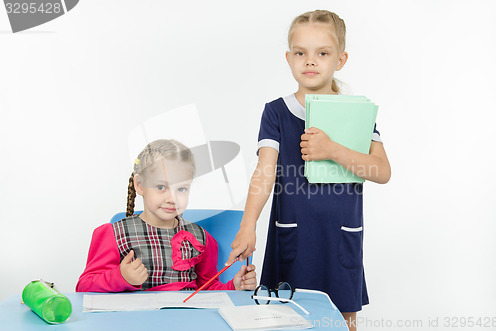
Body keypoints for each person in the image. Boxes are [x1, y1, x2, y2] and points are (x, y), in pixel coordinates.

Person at [226, 10, 391, 331]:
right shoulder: (276, 112)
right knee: (285, 320)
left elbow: (381, 170)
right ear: (289, 58)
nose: (310, 61)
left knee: (342, 322)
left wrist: (333, 150)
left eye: (322, 53)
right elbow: (264, 171)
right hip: (293, 239)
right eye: (301, 53)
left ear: (340, 59)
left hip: (341, 239)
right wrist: (248, 226)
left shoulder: (356, 113)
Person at [76, 139, 256, 293]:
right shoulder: (113, 234)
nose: (172, 198)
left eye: (182, 189)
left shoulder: (202, 239)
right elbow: (84, 286)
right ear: (139, 185)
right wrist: (121, 277)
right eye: (161, 187)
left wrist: (234, 286)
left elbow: (207, 289)